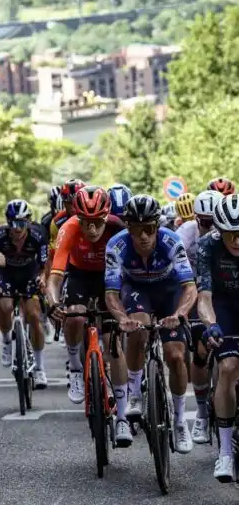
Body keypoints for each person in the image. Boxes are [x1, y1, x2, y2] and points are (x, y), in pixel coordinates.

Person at [104, 194, 197, 453]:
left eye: (149, 229)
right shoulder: (116, 245)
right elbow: (111, 293)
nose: (143, 235)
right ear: (128, 229)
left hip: (169, 291)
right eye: (136, 229)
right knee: (137, 328)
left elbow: (189, 288)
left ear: (157, 227)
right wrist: (122, 319)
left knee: (176, 355)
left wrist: (179, 313)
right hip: (136, 290)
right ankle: (135, 392)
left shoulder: (172, 241)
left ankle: (179, 421)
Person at [47, 186, 130, 445]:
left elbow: (130, 269)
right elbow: (55, 277)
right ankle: (74, 365)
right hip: (80, 274)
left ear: (106, 217)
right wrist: (52, 303)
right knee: (74, 316)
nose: (92, 230)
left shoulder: (118, 228)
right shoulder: (69, 228)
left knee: (113, 343)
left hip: (109, 277)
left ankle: (123, 417)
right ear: (77, 218)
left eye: (97, 224)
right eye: (86, 223)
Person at [196, 194, 239, 482]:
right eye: (230, 235)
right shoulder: (206, 246)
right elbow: (204, 297)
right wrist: (211, 324)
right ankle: (224, 454)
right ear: (219, 231)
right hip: (222, 306)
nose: (236, 241)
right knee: (228, 367)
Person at [0, 199, 49, 388]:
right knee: (4, 306)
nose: (17, 228)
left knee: (33, 315)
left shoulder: (38, 236)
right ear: (7, 222)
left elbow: (46, 266)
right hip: (6, 275)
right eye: (13, 223)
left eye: (21, 223)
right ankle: (6, 339)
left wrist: (43, 278)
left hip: (30, 274)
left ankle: (39, 368)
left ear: (29, 222)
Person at [177, 189, 222, 444]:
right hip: (195, 288)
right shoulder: (186, 234)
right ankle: (203, 413)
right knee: (201, 349)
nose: (211, 227)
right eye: (205, 222)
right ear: (196, 219)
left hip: (224, 289)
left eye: (216, 221)